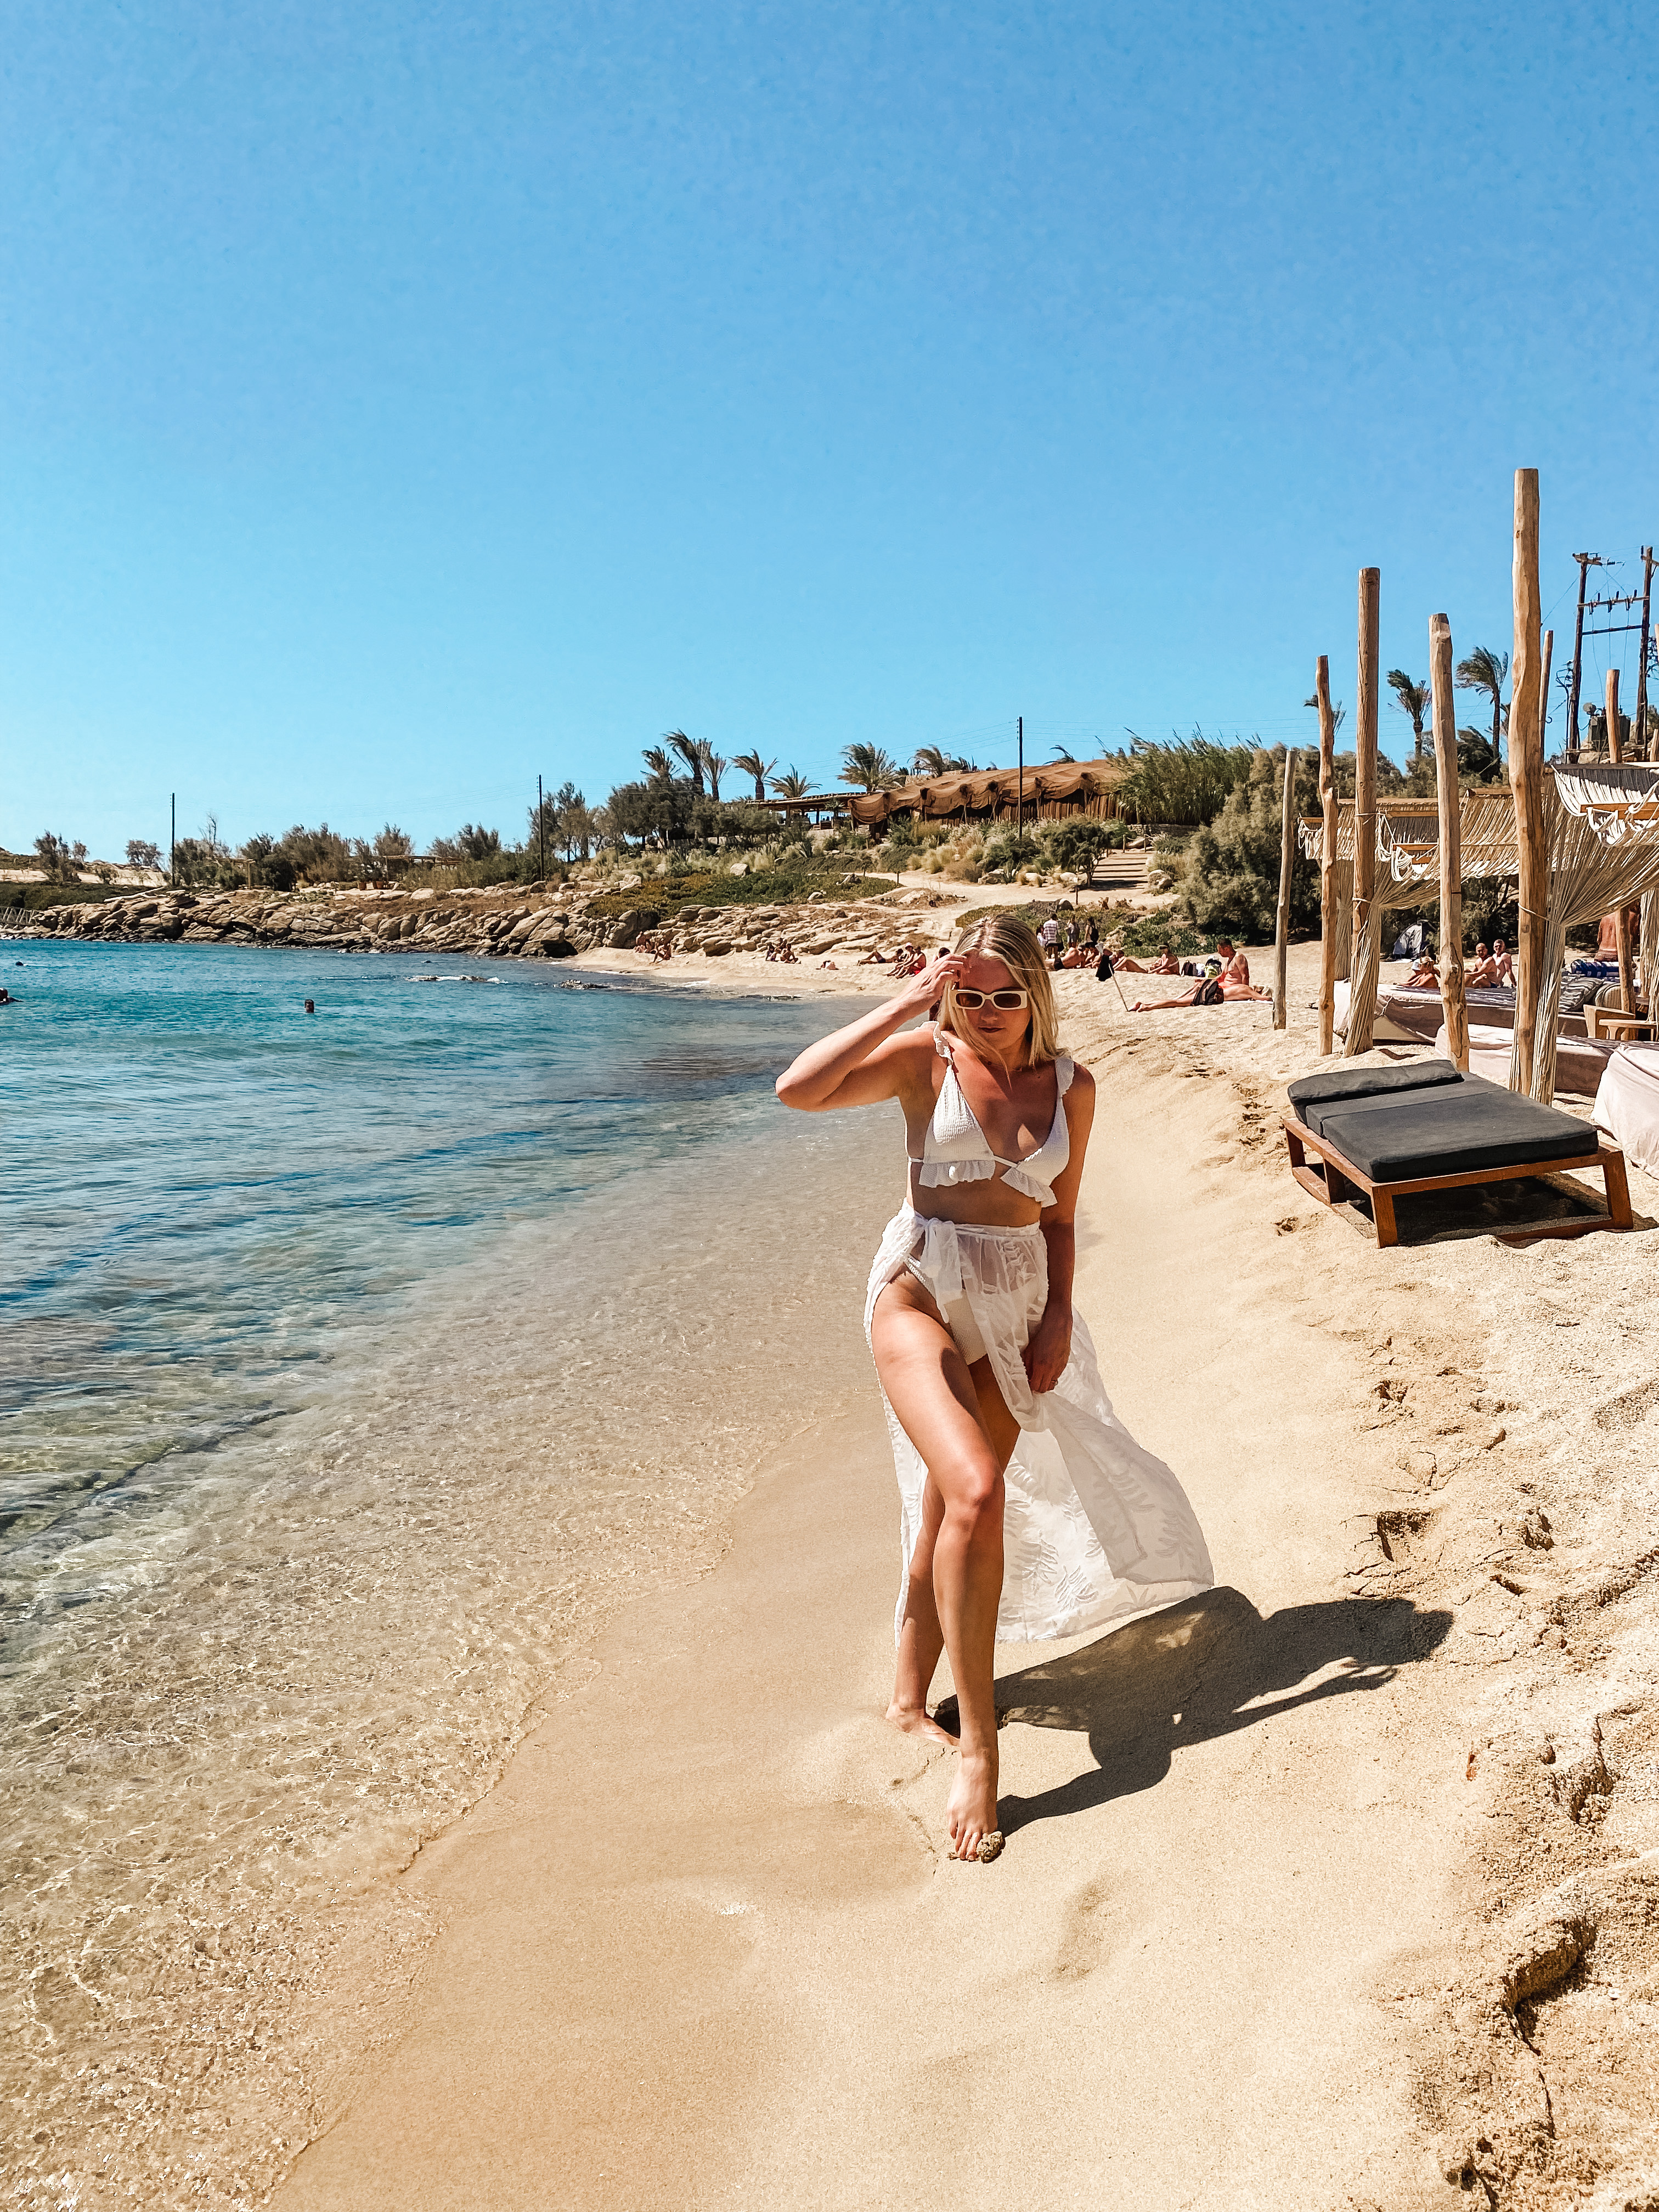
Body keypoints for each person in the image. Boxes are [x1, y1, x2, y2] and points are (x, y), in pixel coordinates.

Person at [775, 916, 1212, 1863]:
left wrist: (1057, 1319)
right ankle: (980, 1748)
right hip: (918, 1291)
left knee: (950, 1506)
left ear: (1036, 995)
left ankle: (906, 1700)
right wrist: (903, 1002)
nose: (984, 1013)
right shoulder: (924, 1061)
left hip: (1014, 1309)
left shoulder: (1072, 1086)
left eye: (1004, 997)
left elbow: (1060, 1219)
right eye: (967, 996)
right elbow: (796, 1090)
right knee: (976, 1488)